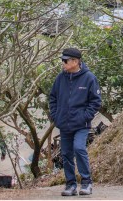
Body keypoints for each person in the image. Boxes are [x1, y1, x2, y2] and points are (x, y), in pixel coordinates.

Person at [48, 47, 101, 197]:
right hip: (64, 123)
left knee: (79, 148)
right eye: (62, 60)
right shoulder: (60, 78)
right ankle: (70, 185)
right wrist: (56, 115)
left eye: (65, 60)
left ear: (75, 61)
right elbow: (52, 98)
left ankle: (86, 183)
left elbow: (96, 102)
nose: (63, 63)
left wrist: (85, 117)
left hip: (81, 124)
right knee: (66, 154)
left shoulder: (89, 78)